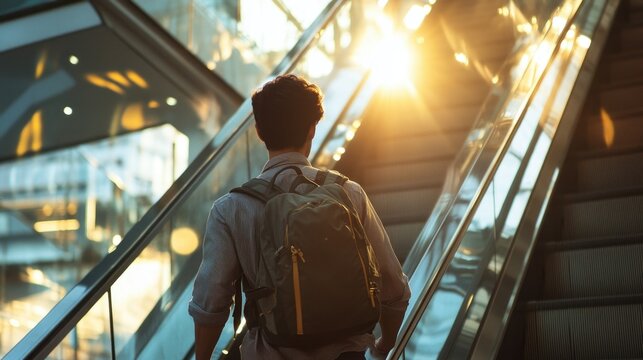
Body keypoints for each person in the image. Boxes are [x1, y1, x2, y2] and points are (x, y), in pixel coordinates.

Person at [189, 74, 411, 359]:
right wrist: (385, 344)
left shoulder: (231, 208)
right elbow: (393, 287)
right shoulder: (349, 194)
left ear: (259, 131)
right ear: (312, 129)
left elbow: (210, 303)